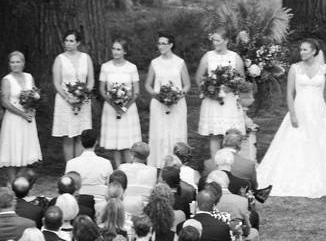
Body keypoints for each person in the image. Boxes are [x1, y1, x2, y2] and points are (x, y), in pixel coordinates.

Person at [258, 39, 326, 197]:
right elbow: (289, 93)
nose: (302, 52)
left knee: (323, 145)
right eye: (301, 49)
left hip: (319, 111)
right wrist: (292, 113)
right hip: (300, 111)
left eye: (305, 50)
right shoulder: (295, 68)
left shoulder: (325, 69)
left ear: (314, 51)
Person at [195, 29, 246, 159]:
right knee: (215, 134)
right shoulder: (208, 56)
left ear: (226, 41)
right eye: (213, 40)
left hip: (229, 101)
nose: (215, 43)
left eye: (218, 40)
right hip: (213, 100)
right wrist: (208, 89)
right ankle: (215, 165)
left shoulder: (235, 57)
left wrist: (232, 86)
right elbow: (199, 77)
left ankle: (230, 165)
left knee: (231, 134)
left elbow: (242, 79)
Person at [0, 51, 43, 184]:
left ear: (23, 63)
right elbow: (4, 101)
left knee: (25, 147)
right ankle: (11, 181)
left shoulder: (29, 77)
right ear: (9, 64)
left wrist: (32, 109)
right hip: (14, 118)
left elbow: (35, 95)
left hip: (28, 117)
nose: (15, 65)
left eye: (18, 62)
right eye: (12, 62)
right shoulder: (7, 80)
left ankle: (21, 180)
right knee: (12, 147)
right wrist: (21, 114)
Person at [145, 34, 190, 168]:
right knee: (159, 133)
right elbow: (147, 84)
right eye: (159, 43)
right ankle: (158, 164)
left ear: (171, 45)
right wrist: (157, 95)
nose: (161, 46)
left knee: (176, 132)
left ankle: (177, 163)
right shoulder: (154, 62)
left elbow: (187, 84)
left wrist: (177, 96)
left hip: (177, 104)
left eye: (164, 43)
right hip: (159, 104)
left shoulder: (180, 62)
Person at [52, 30, 95, 163]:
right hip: (65, 101)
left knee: (81, 134)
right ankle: (69, 167)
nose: (68, 44)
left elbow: (91, 80)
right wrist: (68, 98)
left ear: (78, 43)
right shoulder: (59, 59)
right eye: (66, 41)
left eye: (71, 41)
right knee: (68, 135)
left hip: (83, 101)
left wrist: (82, 95)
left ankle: (79, 166)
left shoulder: (86, 58)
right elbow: (57, 83)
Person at [99, 38, 141, 166]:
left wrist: (124, 107)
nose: (115, 52)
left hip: (128, 108)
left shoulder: (131, 67)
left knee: (127, 140)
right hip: (111, 108)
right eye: (113, 49)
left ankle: (129, 167)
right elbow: (102, 89)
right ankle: (118, 168)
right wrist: (114, 104)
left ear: (125, 52)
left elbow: (136, 91)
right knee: (115, 141)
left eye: (118, 49)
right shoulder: (105, 67)